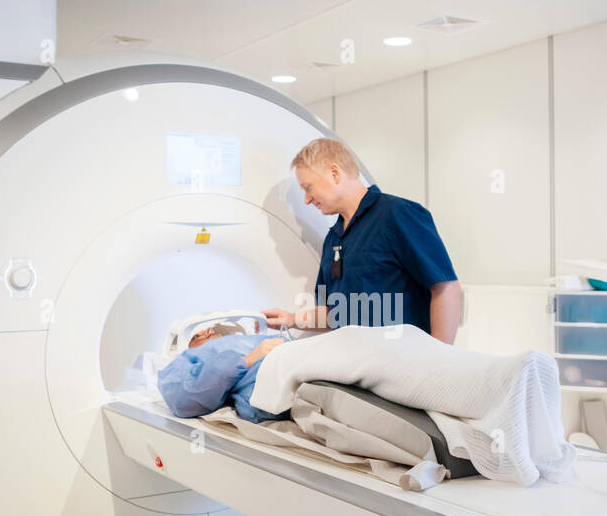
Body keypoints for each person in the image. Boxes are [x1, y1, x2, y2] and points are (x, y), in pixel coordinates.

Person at [264, 139, 461, 343]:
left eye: (308, 187)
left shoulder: (397, 215)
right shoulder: (334, 238)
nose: (306, 199)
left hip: (400, 360)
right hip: (353, 364)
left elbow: (446, 288)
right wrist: (292, 319)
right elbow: (334, 314)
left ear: (334, 173)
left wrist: (439, 356)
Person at [157, 321, 288, 422]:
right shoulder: (186, 361)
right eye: (196, 336)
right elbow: (184, 398)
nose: (206, 331)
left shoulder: (249, 341)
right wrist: (247, 361)